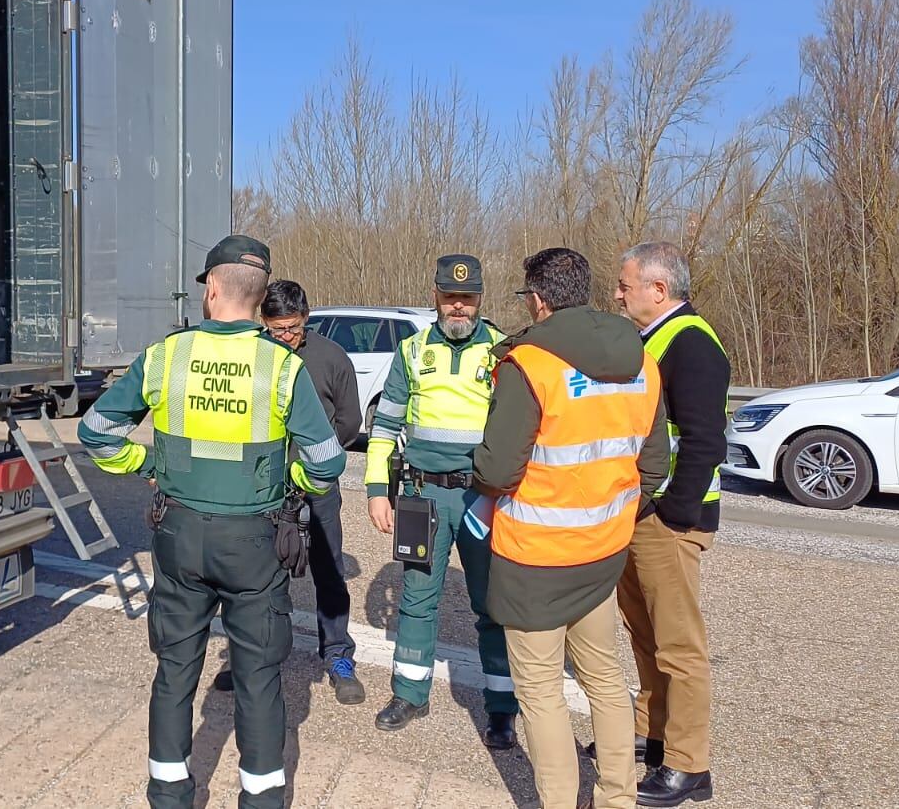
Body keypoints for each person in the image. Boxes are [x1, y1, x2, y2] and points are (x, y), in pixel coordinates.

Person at [79, 234, 347, 809]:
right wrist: (288, 487)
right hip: (254, 540)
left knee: (175, 670)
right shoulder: (282, 367)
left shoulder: (166, 356)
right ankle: (261, 798)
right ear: (259, 296)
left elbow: (96, 433)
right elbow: (327, 462)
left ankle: (171, 792)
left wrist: (148, 462)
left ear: (213, 289)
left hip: (179, 535)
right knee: (258, 679)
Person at [473, 247, 671, 809]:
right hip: (603, 552)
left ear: (537, 300)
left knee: (540, 692)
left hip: (535, 557)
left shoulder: (529, 365)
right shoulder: (642, 361)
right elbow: (654, 464)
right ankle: (617, 799)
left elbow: (498, 469)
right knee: (605, 681)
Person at [365, 254, 520, 749]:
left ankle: (502, 709)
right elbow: (385, 427)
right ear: (435, 295)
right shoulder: (410, 352)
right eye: (450, 297)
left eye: (468, 298)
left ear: (480, 300)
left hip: (482, 498)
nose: (459, 306)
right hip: (421, 494)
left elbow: (518, 431)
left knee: (493, 604)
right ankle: (410, 694)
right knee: (416, 599)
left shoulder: (502, 350)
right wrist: (376, 492)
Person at [611, 241, 730, 807]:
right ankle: (650, 731)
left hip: (670, 517)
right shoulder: (654, 338)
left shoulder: (693, 344)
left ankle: (688, 766)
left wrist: (674, 510)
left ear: (658, 290)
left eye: (625, 284)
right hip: (644, 511)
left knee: (679, 644)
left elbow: (706, 439)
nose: (617, 293)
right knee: (645, 632)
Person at [213, 280, 366, 703]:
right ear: (263, 322)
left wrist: (312, 461)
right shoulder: (252, 358)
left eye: (292, 329)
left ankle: (337, 654)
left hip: (316, 488)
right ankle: (248, 657)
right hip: (263, 489)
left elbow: (350, 424)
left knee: (329, 571)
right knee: (257, 575)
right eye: (276, 329)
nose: (284, 338)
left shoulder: (331, 358)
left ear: (307, 319)